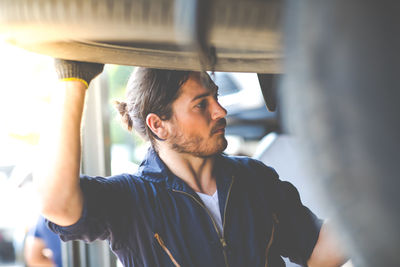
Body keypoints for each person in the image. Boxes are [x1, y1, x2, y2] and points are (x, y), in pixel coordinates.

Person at [35, 60, 346, 267]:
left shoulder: (255, 179)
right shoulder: (132, 200)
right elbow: (57, 203)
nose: (220, 110)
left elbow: (316, 249)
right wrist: (73, 80)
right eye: (201, 104)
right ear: (159, 125)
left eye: (216, 96)